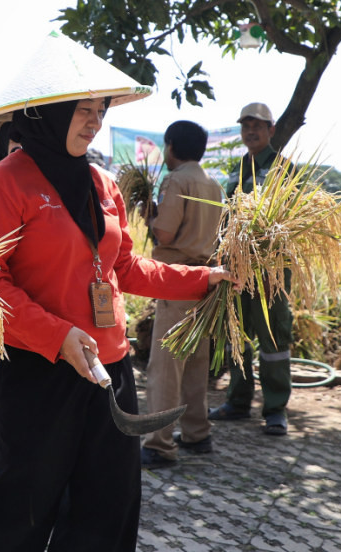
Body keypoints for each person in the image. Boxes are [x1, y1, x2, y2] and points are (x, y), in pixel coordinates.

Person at [0, 30, 234, 552]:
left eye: (100, 108)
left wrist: (202, 280)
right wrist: (57, 336)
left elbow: (125, 267)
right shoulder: (7, 182)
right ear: (44, 113)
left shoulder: (102, 184)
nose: (94, 119)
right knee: (21, 508)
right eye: (81, 108)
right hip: (38, 371)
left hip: (109, 369)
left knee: (107, 507)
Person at [139, 121, 226, 468]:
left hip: (176, 280)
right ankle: (197, 433)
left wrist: (150, 217)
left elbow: (166, 233)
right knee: (195, 362)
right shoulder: (213, 184)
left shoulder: (176, 181)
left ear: (171, 146)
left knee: (165, 366)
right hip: (205, 280)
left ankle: (159, 444)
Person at [209, 101, 294, 436]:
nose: (251, 131)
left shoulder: (283, 169)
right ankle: (237, 401)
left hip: (270, 272)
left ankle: (275, 410)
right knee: (235, 336)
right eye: (246, 126)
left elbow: (288, 221)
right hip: (235, 270)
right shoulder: (239, 167)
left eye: (257, 125)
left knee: (274, 340)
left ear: (271, 130)